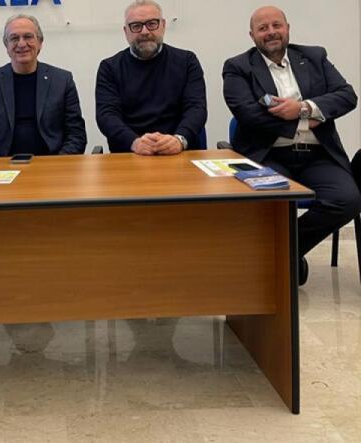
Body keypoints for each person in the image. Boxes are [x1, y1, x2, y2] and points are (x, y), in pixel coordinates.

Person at [223, 6, 361, 285]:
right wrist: (304, 123)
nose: (271, 32)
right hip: (268, 156)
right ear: (252, 35)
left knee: (347, 200)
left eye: (277, 25)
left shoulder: (314, 56)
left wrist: (303, 108)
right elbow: (247, 114)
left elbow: (347, 96)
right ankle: (285, 259)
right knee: (268, 202)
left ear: (288, 28)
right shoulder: (238, 66)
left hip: (318, 155)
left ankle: (285, 253)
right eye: (263, 28)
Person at [0, 14, 87, 158]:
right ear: (6, 45)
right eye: (14, 38)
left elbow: (76, 134)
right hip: (2, 164)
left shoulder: (62, 81)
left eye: (28, 37)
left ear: (40, 42)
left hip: (51, 163)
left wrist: (57, 163)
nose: (21, 44)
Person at [95, 0, 207, 155]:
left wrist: (179, 140)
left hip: (179, 152)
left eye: (152, 24)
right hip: (130, 154)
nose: (144, 31)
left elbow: (196, 108)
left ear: (163, 25)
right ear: (126, 31)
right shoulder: (109, 68)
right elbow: (107, 115)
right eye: (136, 26)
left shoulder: (187, 61)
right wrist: (134, 142)